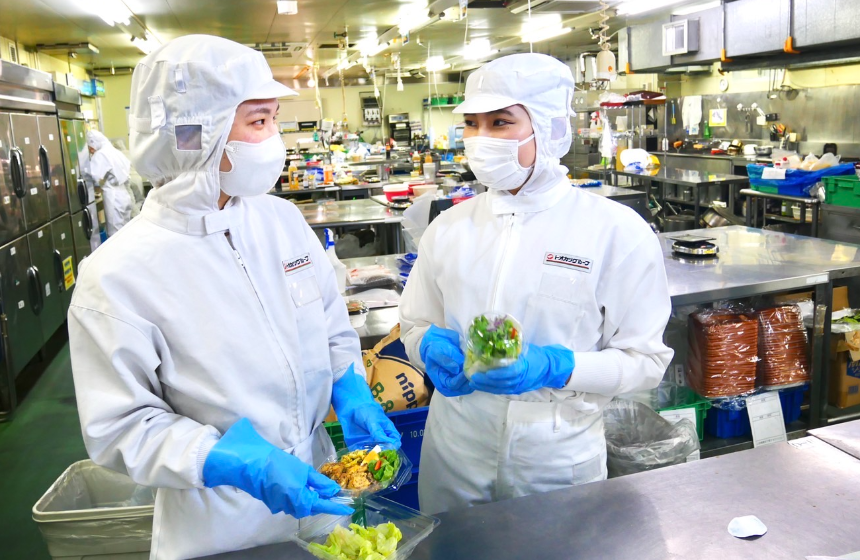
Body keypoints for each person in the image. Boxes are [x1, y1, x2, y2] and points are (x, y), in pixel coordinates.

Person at [69, 35, 400, 560]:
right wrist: (230, 458)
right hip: (218, 522)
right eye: (258, 121)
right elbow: (119, 427)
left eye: (274, 119)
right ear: (195, 135)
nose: (274, 139)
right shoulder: (116, 275)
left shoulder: (282, 221)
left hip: (322, 495)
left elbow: (331, 324)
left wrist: (347, 385)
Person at [399, 53, 674, 515]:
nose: (480, 139)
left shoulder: (614, 232)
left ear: (547, 128)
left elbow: (645, 362)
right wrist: (426, 346)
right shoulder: (448, 228)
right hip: (454, 450)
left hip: (555, 456)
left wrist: (557, 367)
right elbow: (414, 324)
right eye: (471, 124)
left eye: (500, 122)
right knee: (449, 548)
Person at [86, 130, 135, 235]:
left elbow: (93, 177)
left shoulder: (100, 154)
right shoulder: (115, 152)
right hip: (125, 195)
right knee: (126, 231)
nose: (90, 151)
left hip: (114, 197)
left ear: (94, 143)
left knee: (115, 233)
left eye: (90, 148)